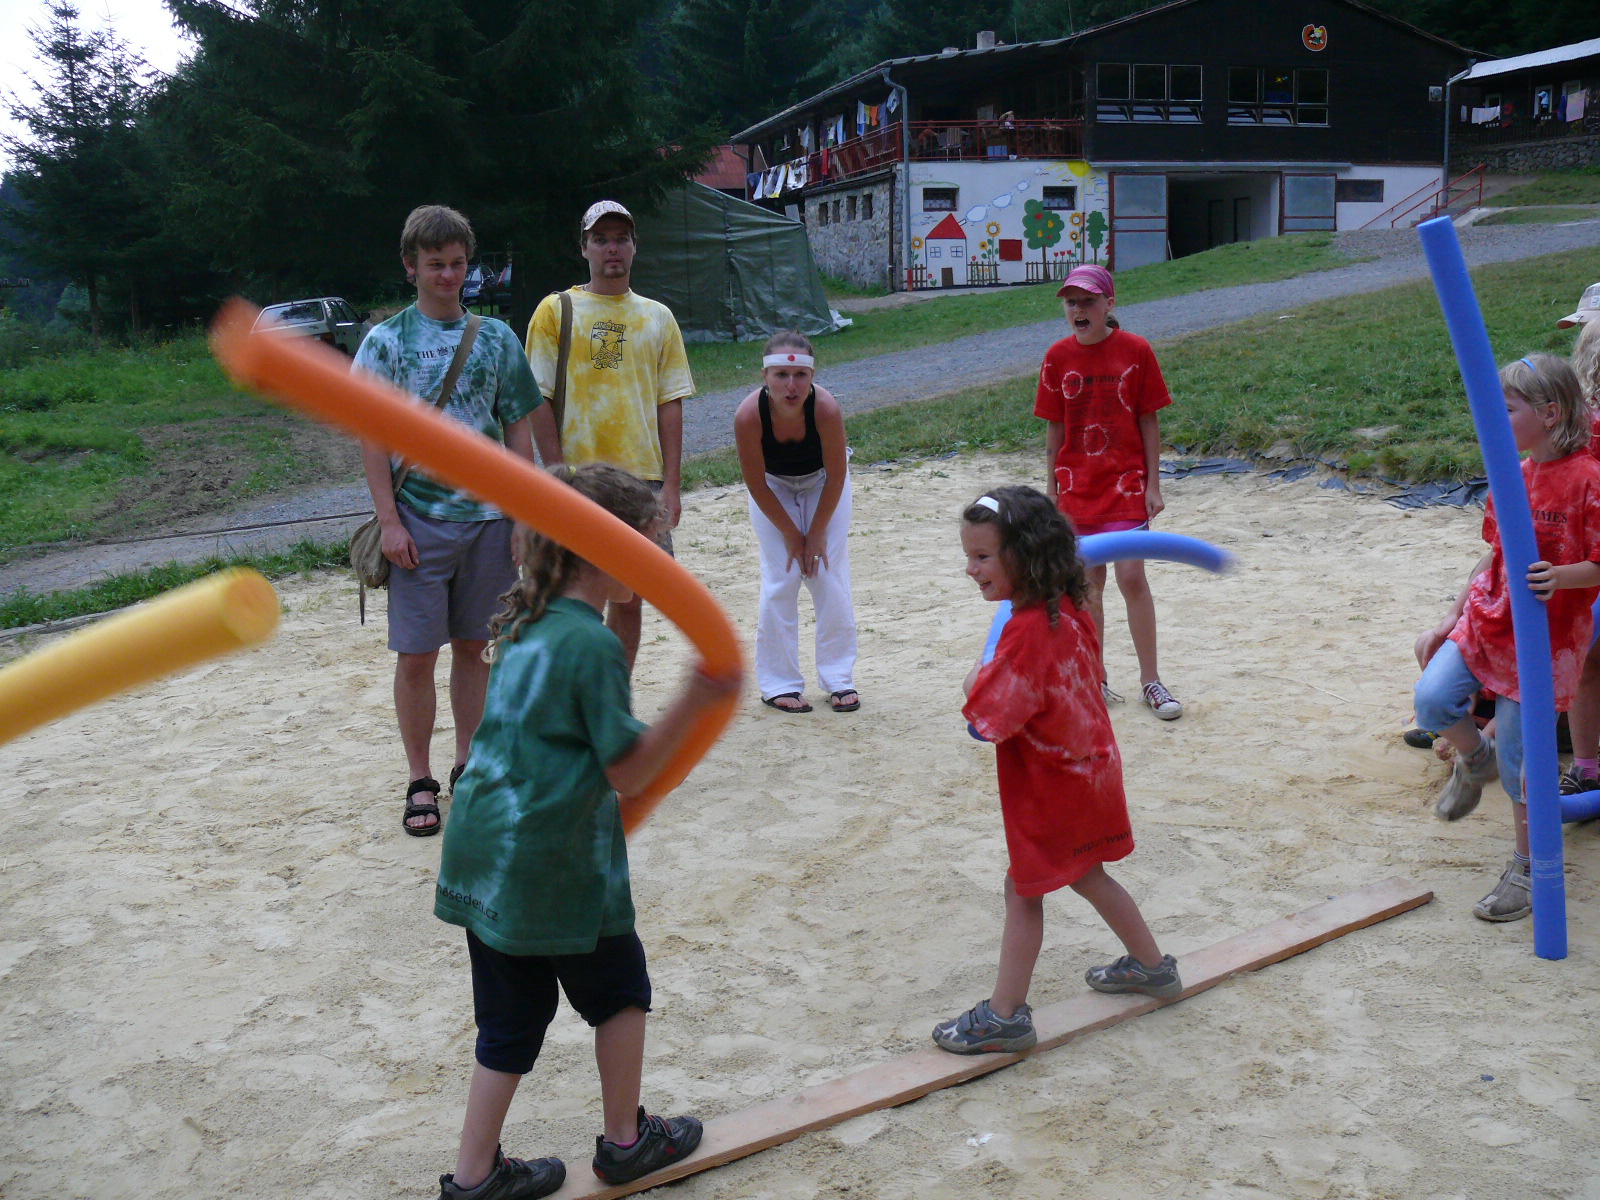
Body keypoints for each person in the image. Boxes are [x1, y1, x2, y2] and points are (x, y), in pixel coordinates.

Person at [433, 463, 741, 1199]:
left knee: (509, 1022)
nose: (655, 564)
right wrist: (695, 700)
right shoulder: (592, 644)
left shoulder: (526, 621)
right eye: (646, 546)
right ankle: (626, 1142)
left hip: (485, 845)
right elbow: (630, 772)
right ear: (601, 548)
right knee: (620, 992)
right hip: (554, 855)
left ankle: (473, 1178)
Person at [932, 486, 1181, 1055]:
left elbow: (988, 717)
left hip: (1051, 786)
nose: (970, 569)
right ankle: (1151, 966)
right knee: (1088, 874)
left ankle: (1004, 1016)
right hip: (1091, 770)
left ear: (1024, 554)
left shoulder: (1024, 633)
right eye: (969, 556)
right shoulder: (1069, 605)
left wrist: (975, 674)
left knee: (1023, 889)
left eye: (982, 557)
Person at [356, 204, 561, 836]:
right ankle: (419, 778)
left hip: (491, 521)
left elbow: (517, 426)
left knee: (476, 648)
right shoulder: (385, 342)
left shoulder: (496, 338)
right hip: (418, 520)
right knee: (417, 656)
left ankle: (468, 764)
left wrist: (523, 514)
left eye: (458, 264)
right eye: (436, 264)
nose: (448, 276)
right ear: (410, 266)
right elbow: (372, 439)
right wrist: (389, 522)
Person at [1412, 354, 1600, 922]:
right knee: (1432, 699)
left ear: (1550, 413)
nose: (1494, 417)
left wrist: (1562, 576)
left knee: (1525, 766)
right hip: (1490, 617)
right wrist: (1453, 613)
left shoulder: (1588, 480)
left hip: (1546, 641)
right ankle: (1476, 758)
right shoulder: (1512, 472)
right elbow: (1494, 554)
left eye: (1508, 408)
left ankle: (1526, 866)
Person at [525, 200, 695, 673]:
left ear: (635, 247)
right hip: (579, 481)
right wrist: (557, 474)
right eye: (600, 239)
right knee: (572, 600)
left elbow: (670, 401)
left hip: (640, 484)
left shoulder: (658, 317)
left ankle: (614, 695)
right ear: (584, 248)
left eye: (621, 239)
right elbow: (536, 397)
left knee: (629, 599)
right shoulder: (555, 311)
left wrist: (672, 485)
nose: (611, 249)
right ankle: (573, 697)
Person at [1034, 263, 1183, 720]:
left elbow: (1148, 420)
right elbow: (1055, 427)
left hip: (1126, 484)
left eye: (1088, 301)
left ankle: (1151, 680)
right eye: (1071, 302)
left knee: (1132, 576)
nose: (1078, 309)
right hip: (1077, 488)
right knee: (1088, 587)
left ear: (1109, 304)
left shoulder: (1136, 350)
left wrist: (1153, 484)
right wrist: (1051, 490)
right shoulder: (1057, 356)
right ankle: (1095, 678)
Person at [733, 331, 859, 714]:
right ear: (765, 377)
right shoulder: (749, 416)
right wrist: (791, 533)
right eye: (782, 376)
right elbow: (755, 482)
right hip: (773, 486)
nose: (791, 386)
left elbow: (836, 476)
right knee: (782, 576)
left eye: (801, 375)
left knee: (827, 572)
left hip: (822, 481)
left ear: (812, 376)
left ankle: (838, 678)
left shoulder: (825, 409)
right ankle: (779, 684)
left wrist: (816, 533)